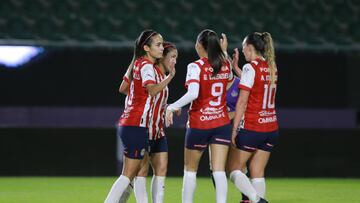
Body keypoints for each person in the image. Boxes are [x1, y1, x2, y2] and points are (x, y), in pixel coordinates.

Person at [104, 30, 175, 203]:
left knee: (134, 173)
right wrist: (170, 78)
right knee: (129, 174)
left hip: (133, 122)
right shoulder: (146, 66)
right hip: (135, 123)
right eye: (158, 45)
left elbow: (123, 88)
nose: (161, 48)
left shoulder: (137, 63)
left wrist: (137, 96)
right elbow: (151, 90)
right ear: (146, 48)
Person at [166, 29, 231, 203]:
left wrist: (171, 107)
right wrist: (224, 52)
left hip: (200, 124)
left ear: (199, 45)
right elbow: (228, 80)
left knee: (190, 170)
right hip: (222, 122)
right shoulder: (226, 63)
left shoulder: (195, 66)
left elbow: (193, 93)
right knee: (218, 170)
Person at [120, 42, 178, 203]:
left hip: (158, 130)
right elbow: (126, 88)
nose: (174, 61)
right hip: (143, 127)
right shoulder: (150, 70)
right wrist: (136, 99)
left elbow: (155, 98)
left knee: (161, 169)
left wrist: (168, 107)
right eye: (172, 57)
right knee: (140, 172)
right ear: (162, 57)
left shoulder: (158, 75)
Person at [228, 32, 279, 203]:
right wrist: (236, 69)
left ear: (250, 48)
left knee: (234, 170)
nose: (242, 51)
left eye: (243, 48)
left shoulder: (251, 67)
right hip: (270, 128)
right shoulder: (271, 67)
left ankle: (257, 200)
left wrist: (234, 129)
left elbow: (242, 102)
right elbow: (257, 84)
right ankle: (257, 199)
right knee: (257, 171)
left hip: (252, 127)